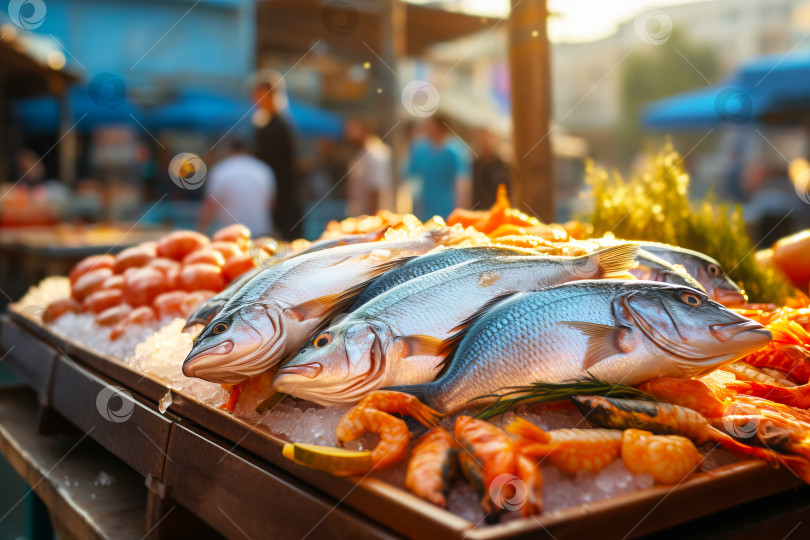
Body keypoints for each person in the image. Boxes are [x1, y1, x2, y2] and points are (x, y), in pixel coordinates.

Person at [252, 71, 302, 239]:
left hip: (282, 202)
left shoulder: (278, 125)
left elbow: (280, 167)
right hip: (275, 199)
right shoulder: (268, 123)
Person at [199, 139, 276, 235]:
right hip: (261, 232)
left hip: (231, 235)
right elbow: (270, 204)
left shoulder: (220, 170)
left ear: (229, 150)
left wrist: (201, 231)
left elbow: (210, 205)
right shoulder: (264, 169)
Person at [405, 115, 461, 221]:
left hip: (447, 208)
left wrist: (460, 210)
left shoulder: (453, 152)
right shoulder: (419, 150)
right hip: (423, 208)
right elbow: (410, 177)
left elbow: (460, 183)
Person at [344, 116, 392, 217]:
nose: (348, 133)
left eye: (353, 129)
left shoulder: (376, 153)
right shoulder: (361, 152)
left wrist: (371, 220)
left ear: (364, 130)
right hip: (361, 216)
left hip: (373, 219)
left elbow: (376, 190)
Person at [472, 128, 511, 209]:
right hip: (478, 210)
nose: (485, 143)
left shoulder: (502, 165)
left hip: (499, 209)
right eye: (482, 141)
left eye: (487, 140)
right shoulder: (474, 165)